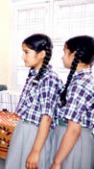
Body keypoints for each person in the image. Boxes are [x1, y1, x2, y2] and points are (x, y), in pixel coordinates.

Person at [5, 34, 63, 169]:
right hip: (23, 129)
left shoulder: (49, 79)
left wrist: (36, 152)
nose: (23, 56)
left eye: (26, 52)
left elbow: (46, 118)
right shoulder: (33, 74)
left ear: (42, 54)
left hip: (36, 134)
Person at [50, 35, 94, 169]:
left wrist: (57, 162)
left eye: (64, 52)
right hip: (71, 138)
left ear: (73, 55)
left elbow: (74, 128)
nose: (62, 57)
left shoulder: (80, 84)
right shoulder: (83, 79)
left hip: (73, 142)